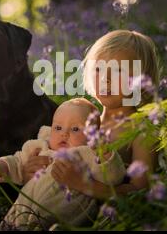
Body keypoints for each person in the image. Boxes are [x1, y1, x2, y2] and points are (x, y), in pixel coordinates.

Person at [0, 98, 126, 230]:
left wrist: (106, 157)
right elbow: (18, 161)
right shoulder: (41, 146)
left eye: (75, 129)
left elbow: (113, 178)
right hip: (23, 207)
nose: (64, 134)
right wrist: (3, 165)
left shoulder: (87, 154)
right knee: (9, 223)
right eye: (58, 128)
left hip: (60, 215)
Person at [50, 30, 160, 199]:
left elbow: (141, 191)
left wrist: (83, 184)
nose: (105, 78)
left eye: (118, 71)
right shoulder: (85, 121)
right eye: (98, 69)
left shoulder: (143, 129)